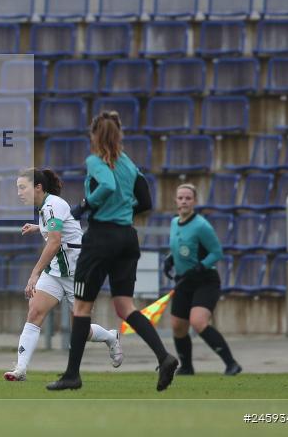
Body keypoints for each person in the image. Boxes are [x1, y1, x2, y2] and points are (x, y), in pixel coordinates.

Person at [47, 111, 179, 392]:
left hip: (101, 237)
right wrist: (122, 209)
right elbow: (145, 200)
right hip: (127, 237)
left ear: (94, 135)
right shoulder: (129, 165)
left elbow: (106, 185)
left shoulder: (95, 161)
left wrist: (85, 205)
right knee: (125, 306)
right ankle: (164, 357)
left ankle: (72, 374)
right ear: (119, 135)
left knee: (81, 307)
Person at [3, 168, 124, 382]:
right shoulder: (45, 207)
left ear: (38, 187)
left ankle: (110, 337)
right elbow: (54, 229)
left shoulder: (53, 204)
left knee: (81, 331)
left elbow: (55, 241)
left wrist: (34, 274)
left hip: (78, 274)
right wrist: (36, 227)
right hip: (56, 272)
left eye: (22, 188)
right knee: (34, 313)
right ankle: (20, 369)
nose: (19, 192)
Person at [164, 183, 242, 376]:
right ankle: (187, 367)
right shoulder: (174, 223)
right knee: (177, 326)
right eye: (180, 198)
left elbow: (217, 252)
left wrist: (200, 266)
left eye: (188, 198)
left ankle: (231, 364)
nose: (183, 201)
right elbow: (179, 247)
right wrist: (170, 259)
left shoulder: (201, 225)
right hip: (184, 281)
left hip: (205, 281)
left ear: (195, 202)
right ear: (175, 201)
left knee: (198, 322)